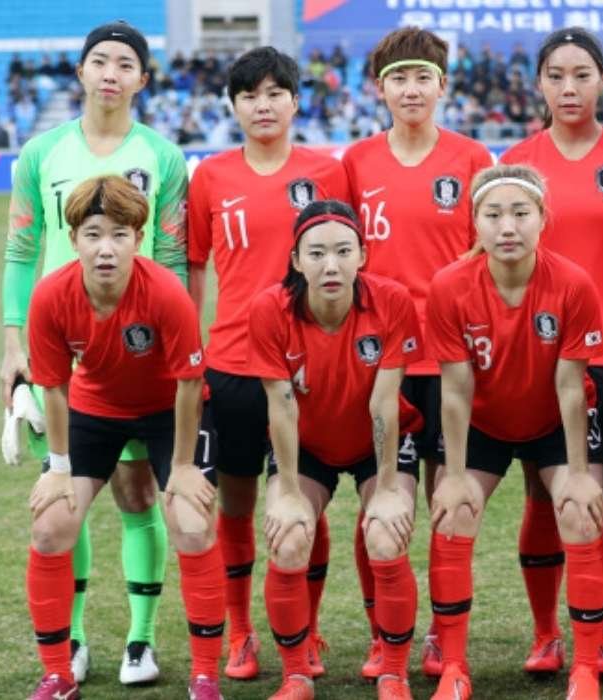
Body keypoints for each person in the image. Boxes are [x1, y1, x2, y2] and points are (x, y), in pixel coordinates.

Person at [1, 20, 188, 686]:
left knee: (139, 491)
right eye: (100, 61)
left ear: (143, 79)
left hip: (138, 351)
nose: (111, 72)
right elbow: (22, 249)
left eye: (125, 64)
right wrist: (13, 341)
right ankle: (74, 638)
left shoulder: (164, 157)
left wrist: (168, 346)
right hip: (61, 346)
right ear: (80, 71)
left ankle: (141, 640)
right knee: (65, 494)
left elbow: (171, 258)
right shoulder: (39, 153)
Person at [23, 176, 222, 700]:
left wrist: (183, 467)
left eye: (119, 234)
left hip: (167, 410)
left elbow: (189, 383)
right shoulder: (51, 296)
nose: (106, 248)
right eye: (93, 235)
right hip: (94, 410)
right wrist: (59, 467)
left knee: (192, 524)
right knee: (50, 526)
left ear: (138, 238)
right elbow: (54, 387)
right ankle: (58, 676)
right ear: (74, 239)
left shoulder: (166, 292)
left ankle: (205, 676)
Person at [186, 46, 350, 683]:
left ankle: (307, 630)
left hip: (307, 364)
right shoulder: (211, 176)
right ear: (233, 106)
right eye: (250, 95)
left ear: (296, 102)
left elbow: (348, 264)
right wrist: (193, 352)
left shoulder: (326, 171)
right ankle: (241, 632)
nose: (263, 105)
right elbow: (196, 266)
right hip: (232, 362)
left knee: (306, 500)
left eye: (275, 93)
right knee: (236, 502)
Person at [498, 26, 603, 678]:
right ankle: (545, 634)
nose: (569, 87)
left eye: (581, 75)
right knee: (544, 495)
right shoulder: (517, 161)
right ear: (538, 83)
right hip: (539, 356)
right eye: (556, 75)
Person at [424, 164, 603, 700]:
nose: (507, 227)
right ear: (474, 222)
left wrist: (579, 473)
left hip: (552, 421)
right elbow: (455, 390)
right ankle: (454, 667)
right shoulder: (449, 286)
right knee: (452, 513)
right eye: (493, 215)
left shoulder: (573, 283)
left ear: (543, 218)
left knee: (579, 510)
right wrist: (455, 475)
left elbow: (570, 387)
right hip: (484, 423)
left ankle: (583, 667)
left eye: (521, 213)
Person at [342, 26, 493, 680]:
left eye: (422, 78)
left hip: (452, 358)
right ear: (380, 89)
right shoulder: (356, 162)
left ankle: (438, 631)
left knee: (446, 499)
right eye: (398, 79)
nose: (411, 89)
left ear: (442, 85)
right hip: (383, 362)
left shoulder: (472, 157)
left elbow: (486, 252)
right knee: (380, 498)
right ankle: (384, 631)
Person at [245, 200, 424, 700]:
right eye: (317, 253)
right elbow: (281, 406)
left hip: (377, 443)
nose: (331, 265)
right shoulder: (269, 309)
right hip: (307, 445)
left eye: (344, 251)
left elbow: (384, 404)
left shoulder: (392, 301)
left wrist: (386, 488)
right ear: (296, 260)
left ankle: (393, 672)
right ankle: (296, 674)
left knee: (385, 532)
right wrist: (285, 491)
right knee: (288, 536)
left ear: (363, 254)